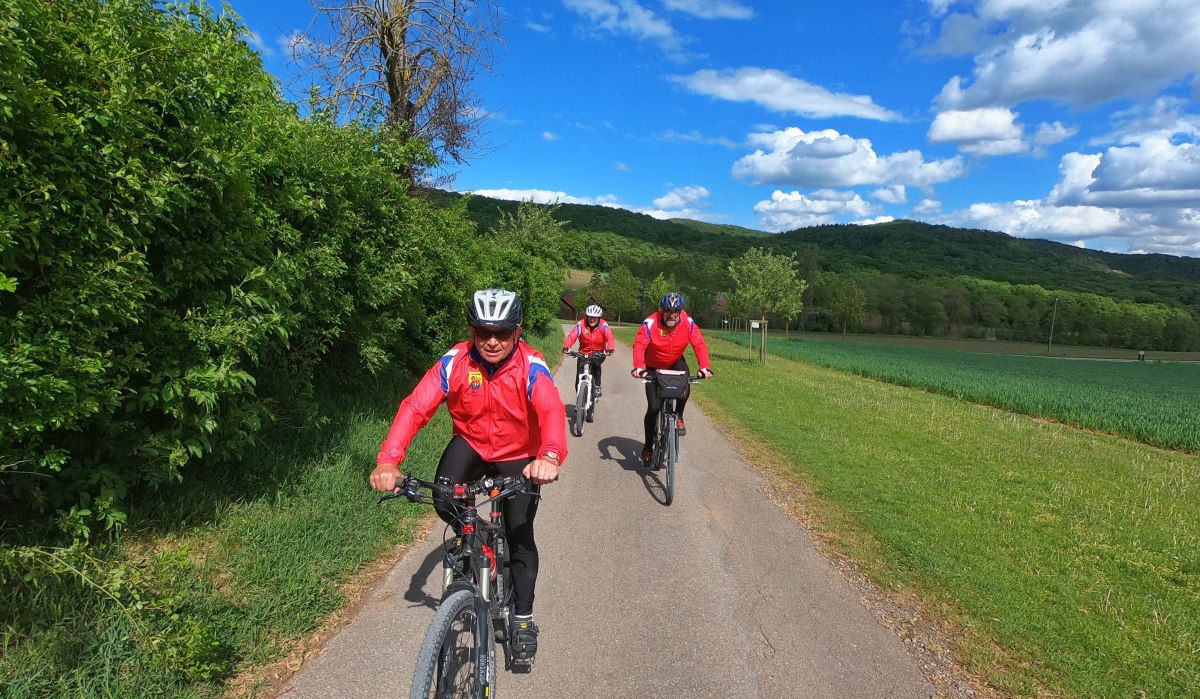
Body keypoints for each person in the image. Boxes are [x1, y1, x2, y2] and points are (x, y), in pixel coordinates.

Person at [370, 288, 566, 662]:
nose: (492, 341)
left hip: (520, 452)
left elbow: (552, 410)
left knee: (520, 533)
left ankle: (523, 618)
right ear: (471, 331)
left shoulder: (532, 365)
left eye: (503, 333)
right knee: (445, 498)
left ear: (518, 331)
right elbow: (415, 407)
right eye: (483, 332)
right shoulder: (455, 361)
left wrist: (550, 456)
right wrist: (388, 461)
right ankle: (473, 540)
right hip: (472, 443)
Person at [631, 292, 713, 465]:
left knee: (686, 380)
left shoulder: (688, 323)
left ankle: (679, 415)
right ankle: (647, 448)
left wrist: (704, 366)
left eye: (676, 310)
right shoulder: (651, 322)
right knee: (654, 408)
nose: (672, 314)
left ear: (681, 311)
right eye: (668, 310)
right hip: (652, 365)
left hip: (675, 362)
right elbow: (639, 344)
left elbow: (699, 344)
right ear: (661, 310)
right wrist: (639, 366)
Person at [561, 303, 615, 396]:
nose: (592, 319)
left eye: (595, 317)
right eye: (590, 317)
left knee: (595, 363)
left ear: (599, 318)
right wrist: (567, 346)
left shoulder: (603, 325)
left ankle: (597, 385)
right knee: (579, 378)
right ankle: (580, 399)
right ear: (587, 316)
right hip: (583, 353)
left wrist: (610, 348)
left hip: (599, 352)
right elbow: (572, 336)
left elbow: (609, 336)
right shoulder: (581, 324)